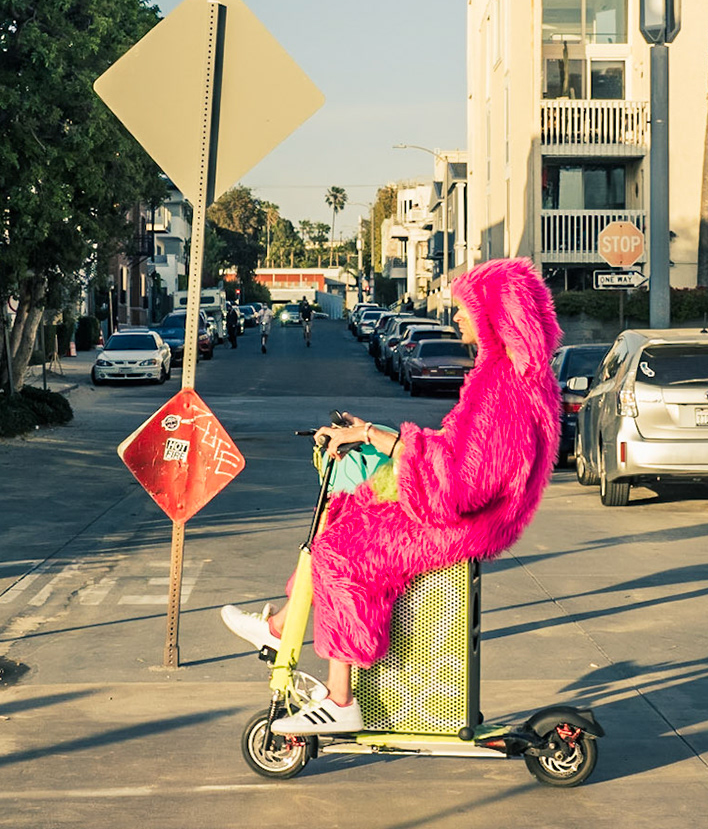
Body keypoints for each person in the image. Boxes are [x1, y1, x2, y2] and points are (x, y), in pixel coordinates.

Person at [219, 258, 562, 733]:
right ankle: (280, 627)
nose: (457, 318)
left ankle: (341, 701)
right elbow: (453, 450)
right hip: (460, 511)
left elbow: (466, 484)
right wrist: (373, 433)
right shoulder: (500, 376)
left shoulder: (503, 388)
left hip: (466, 522)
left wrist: (389, 442)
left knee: (340, 551)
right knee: (343, 515)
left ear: (493, 317)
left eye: (465, 310)